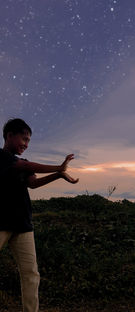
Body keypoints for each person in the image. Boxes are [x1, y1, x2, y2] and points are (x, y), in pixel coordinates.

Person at [0, 118, 79, 312]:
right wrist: (58, 167)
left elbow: (33, 183)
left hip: (22, 225)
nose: (26, 145)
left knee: (31, 274)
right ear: (9, 136)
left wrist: (58, 175)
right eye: (23, 139)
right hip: (0, 222)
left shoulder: (24, 163)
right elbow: (22, 167)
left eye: (29, 141)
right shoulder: (1, 157)